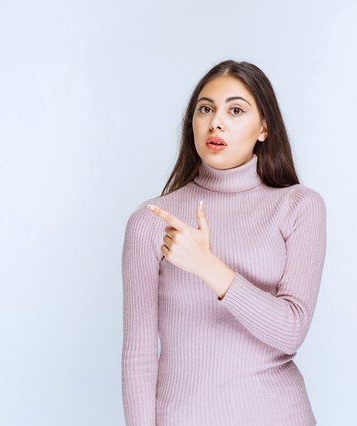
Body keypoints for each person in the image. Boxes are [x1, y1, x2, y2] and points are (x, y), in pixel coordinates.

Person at [121, 59, 327, 426]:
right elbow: (138, 355)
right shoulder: (151, 222)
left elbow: (291, 332)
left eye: (235, 110)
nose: (216, 122)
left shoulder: (298, 206)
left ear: (264, 127)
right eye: (205, 109)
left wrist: (206, 266)